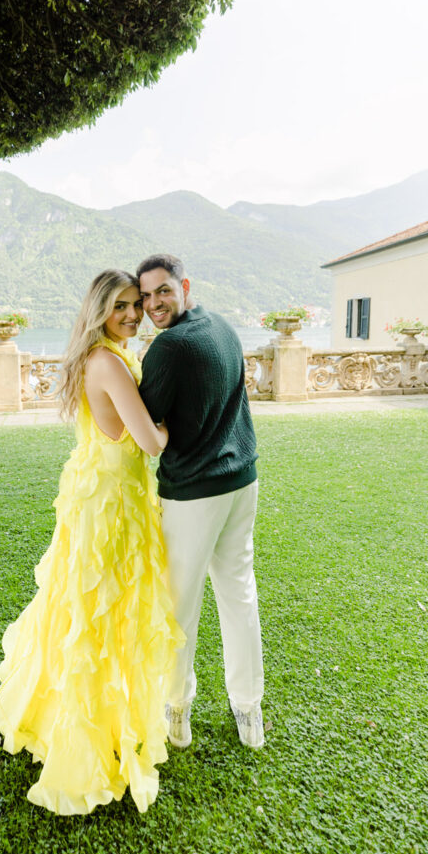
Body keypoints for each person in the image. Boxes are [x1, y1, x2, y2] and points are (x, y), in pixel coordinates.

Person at [0, 269, 185, 815]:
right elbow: (150, 440)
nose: (131, 314)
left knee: (89, 607)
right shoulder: (108, 361)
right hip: (110, 504)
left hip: (100, 492)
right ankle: (88, 729)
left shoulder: (103, 354)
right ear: (99, 309)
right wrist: (177, 423)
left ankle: (102, 711)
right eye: (119, 305)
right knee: (101, 611)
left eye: (134, 304)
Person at [136, 253, 265, 750]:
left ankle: (176, 710)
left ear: (183, 285)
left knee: (179, 606)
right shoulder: (225, 327)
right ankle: (248, 710)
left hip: (195, 494)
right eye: (145, 296)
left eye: (162, 291)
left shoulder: (169, 348)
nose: (152, 304)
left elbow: (146, 424)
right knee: (239, 594)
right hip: (243, 481)